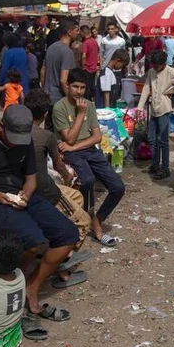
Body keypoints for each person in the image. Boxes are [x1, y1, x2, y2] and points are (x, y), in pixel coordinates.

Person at [0, 104, 78, 323]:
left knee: (68, 234)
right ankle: (9, 285)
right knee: (36, 241)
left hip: (19, 195)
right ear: (2, 125)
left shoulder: (25, 141)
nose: (15, 143)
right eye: (12, 138)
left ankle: (31, 286)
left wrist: (26, 195)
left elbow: (31, 178)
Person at [26, 89, 91, 288]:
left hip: (37, 187)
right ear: (45, 114)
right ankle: (60, 260)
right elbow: (59, 165)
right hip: (45, 191)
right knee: (83, 221)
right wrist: (68, 176)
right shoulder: (46, 136)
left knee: (76, 198)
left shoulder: (18, 132)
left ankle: (59, 256)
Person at [53, 69, 126, 245]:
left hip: (87, 149)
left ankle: (97, 220)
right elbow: (68, 138)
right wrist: (79, 113)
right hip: (70, 153)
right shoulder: (59, 107)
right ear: (68, 86)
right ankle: (82, 221)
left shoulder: (89, 105)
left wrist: (75, 146)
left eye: (82, 87)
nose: (79, 91)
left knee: (118, 187)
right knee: (87, 180)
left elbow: (97, 137)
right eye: (75, 87)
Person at [138, 50, 174, 179]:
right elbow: (146, 88)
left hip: (164, 108)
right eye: (154, 65)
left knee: (163, 140)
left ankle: (165, 168)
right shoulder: (151, 72)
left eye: (157, 66)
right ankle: (155, 164)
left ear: (163, 64)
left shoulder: (171, 72)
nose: (155, 68)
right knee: (152, 138)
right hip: (154, 108)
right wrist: (140, 107)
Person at [42, 18, 78, 105]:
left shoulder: (51, 48)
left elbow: (42, 71)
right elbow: (63, 80)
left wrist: (45, 89)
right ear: (69, 32)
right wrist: (71, 101)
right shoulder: (67, 52)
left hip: (48, 97)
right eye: (76, 30)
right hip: (59, 99)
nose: (78, 33)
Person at [79, 25, 100, 99]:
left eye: (80, 32)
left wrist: (82, 67)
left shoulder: (86, 43)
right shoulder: (94, 41)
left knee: (86, 88)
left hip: (87, 68)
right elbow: (98, 53)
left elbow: (84, 56)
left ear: (83, 32)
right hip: (93, 68)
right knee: (91, 86)